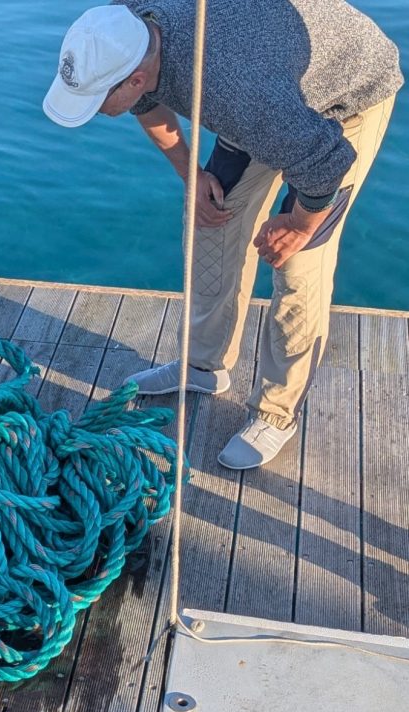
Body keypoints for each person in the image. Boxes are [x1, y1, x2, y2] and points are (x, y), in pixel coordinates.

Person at [43, 2, 402, 469]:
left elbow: (325, 164)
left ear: (133, 78)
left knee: (299, 264)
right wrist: (190, 173)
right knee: (212, 219)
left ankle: (276, 411)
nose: (95, 113)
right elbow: (147, 103)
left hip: (343, 96)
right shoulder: (128, 23)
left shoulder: (237, 93)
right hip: (268, 82)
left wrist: (297, 225)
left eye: (96, 102)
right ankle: (204, 365)